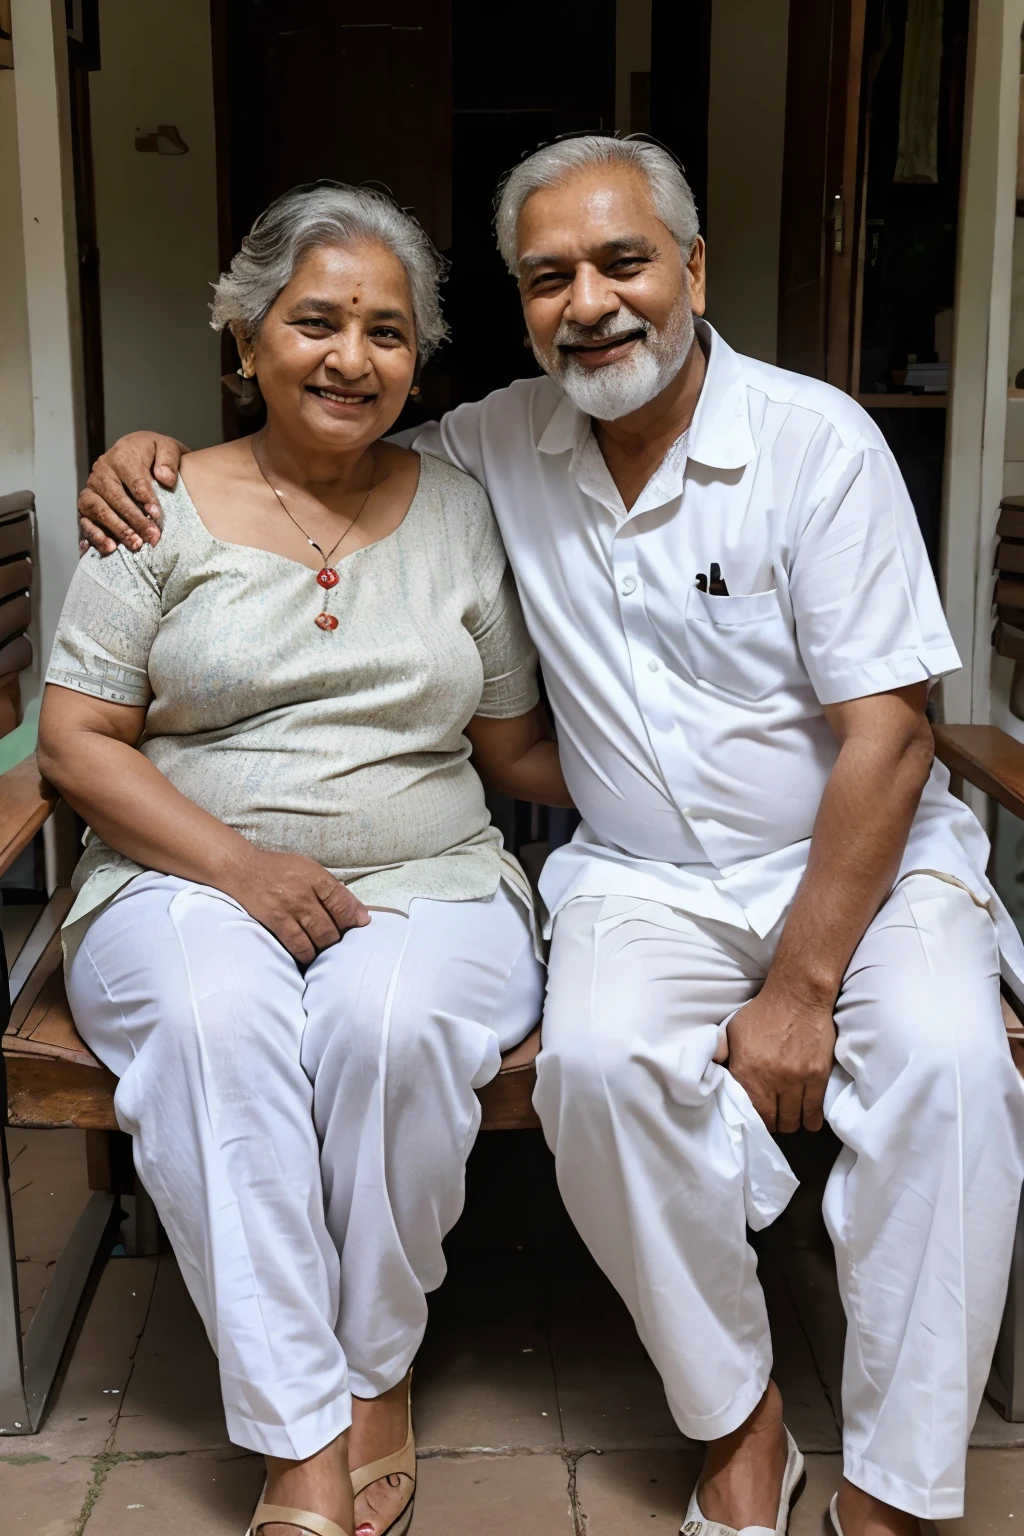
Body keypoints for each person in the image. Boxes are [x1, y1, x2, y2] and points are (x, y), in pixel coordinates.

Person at [80, 137, 1024, 1536]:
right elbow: (323, 451)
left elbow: (889, 732)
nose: (591, 303)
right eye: (549, 277)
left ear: (693, 272)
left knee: (951, 1070)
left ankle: (891, 1492)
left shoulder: (816, 443)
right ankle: (741, 1423)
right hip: (645, 880)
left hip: (865, 868)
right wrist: (147, 450)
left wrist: (803, 989)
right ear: (522, 310)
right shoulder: (490, 445)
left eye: (624, 262)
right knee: (590, 1070)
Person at [43, 181, 570, 1536]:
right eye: (316, 321)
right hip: (176, 877)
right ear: (247, 336)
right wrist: (240, 869)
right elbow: (82, 740)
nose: (351, 356)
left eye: (386, 331)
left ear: (418, 358)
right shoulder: (152, 502)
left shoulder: (460, 511)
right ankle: (300, 1439)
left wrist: (714, 785)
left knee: (392, 1032)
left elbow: (514, 752)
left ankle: (372, 1371)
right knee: (220, 1029)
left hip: (435, 876)